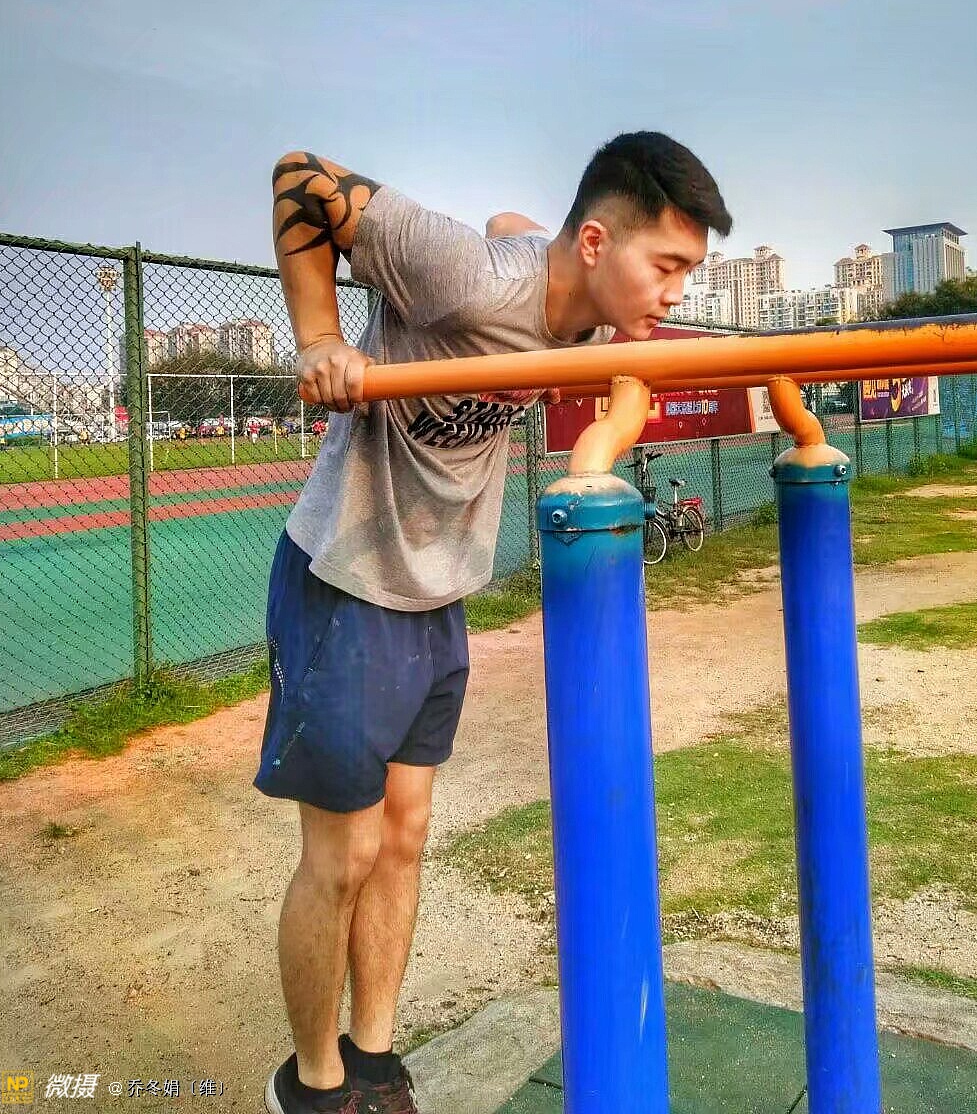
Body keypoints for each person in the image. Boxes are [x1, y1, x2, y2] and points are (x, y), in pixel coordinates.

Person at [256, 132, 733, 1114]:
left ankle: (373, 1060)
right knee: (343, 855)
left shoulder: (583, 315)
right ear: (597, 245)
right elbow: (299, 179)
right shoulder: (466, 276)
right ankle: (311, 1084)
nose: (676, 292)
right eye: (667, 266)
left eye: (688, 270)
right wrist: (320, 339)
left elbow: (520, 225)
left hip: (440, 592)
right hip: (347, 576)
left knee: (404, 838)